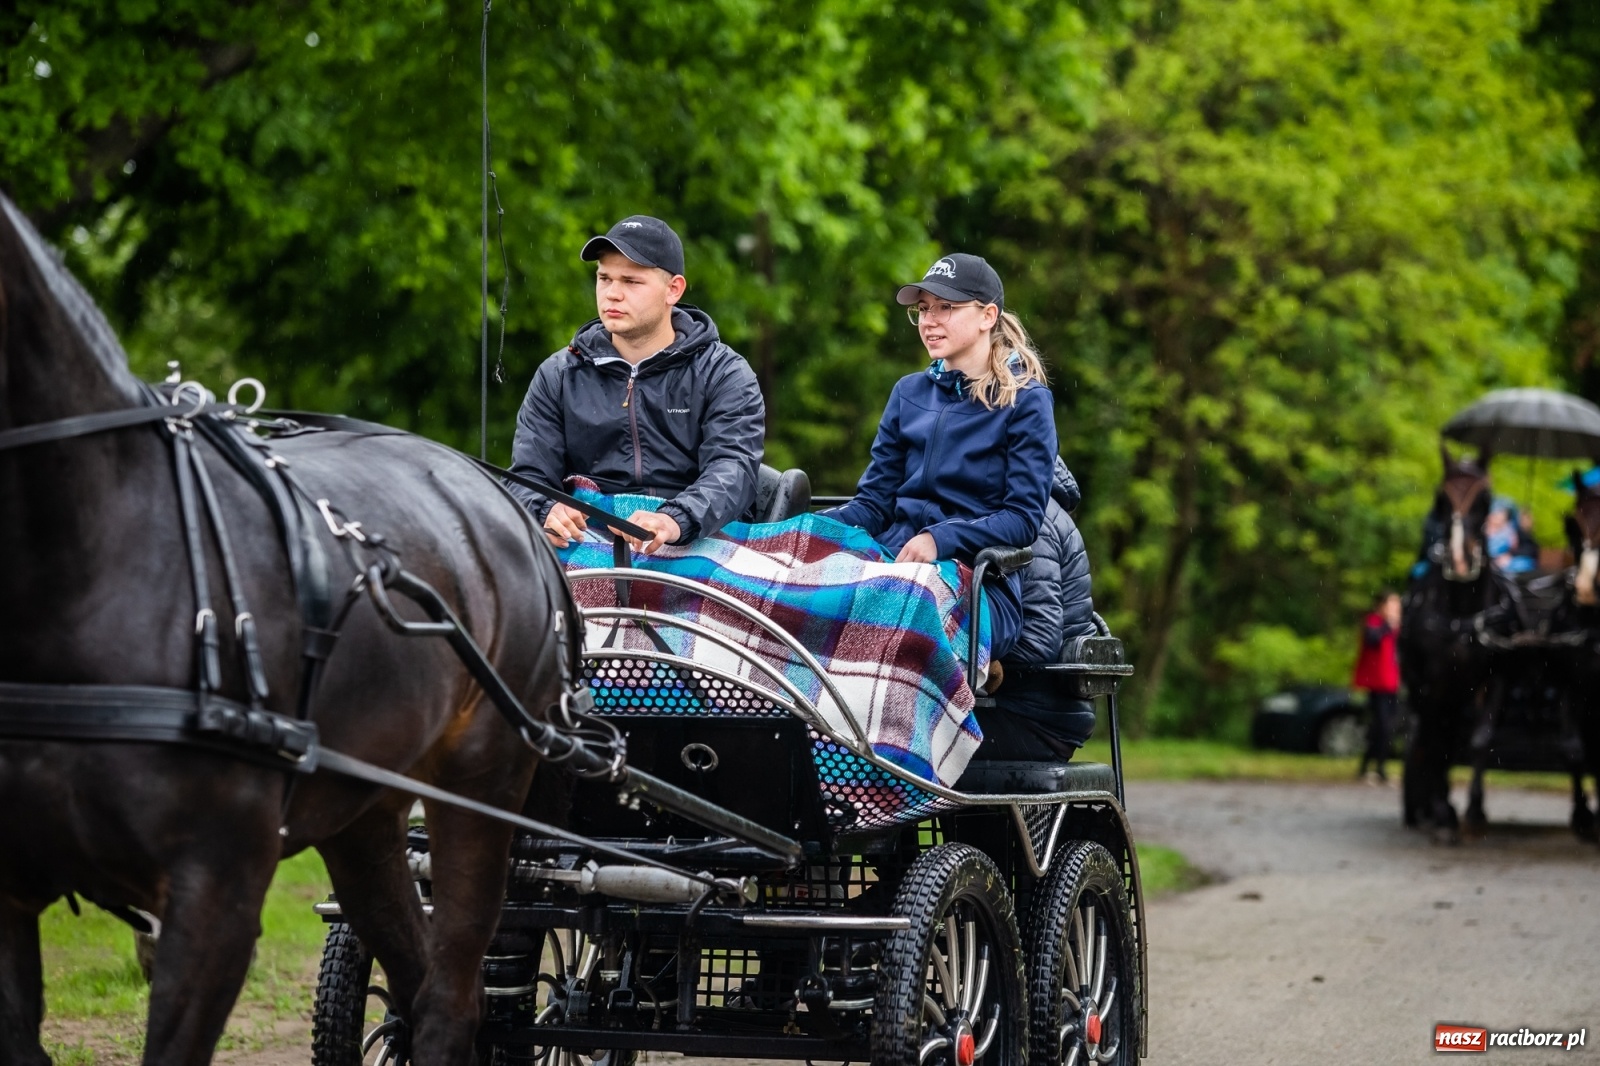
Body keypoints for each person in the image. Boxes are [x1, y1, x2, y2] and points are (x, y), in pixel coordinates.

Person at [826, 252, 1056, 716]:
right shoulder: (908, 393)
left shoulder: (1027, 401)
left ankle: (897, 764)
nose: (929, 321)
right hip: (894, 565)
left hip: (982, 584)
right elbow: (872, 503)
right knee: (805, 570)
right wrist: (817, 530)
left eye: (945, 308)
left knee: (904, 604)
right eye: (923, 309)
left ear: (988, 316)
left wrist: (939, 538)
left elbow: (1023, 520)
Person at [507, 215, 764, 553]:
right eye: (604, 278)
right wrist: (545, 509)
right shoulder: (557, 374)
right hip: (584, 541)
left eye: (631, 281)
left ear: (674, 290)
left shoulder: (726, 373)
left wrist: (674, 520)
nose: (612, 294)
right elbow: (527, 478)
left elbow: (734, 470)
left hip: (700, 539)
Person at [1354, 590, 1402, 784]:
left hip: (1393, 683)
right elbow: (1372, 640)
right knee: (1381, 725)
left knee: (1385, 727)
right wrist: (1389, 625)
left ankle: (1371, 767)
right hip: (1377, 684)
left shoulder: (1397, 628)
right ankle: (1376, 768)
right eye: (1391, 605)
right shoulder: (1373, 622)